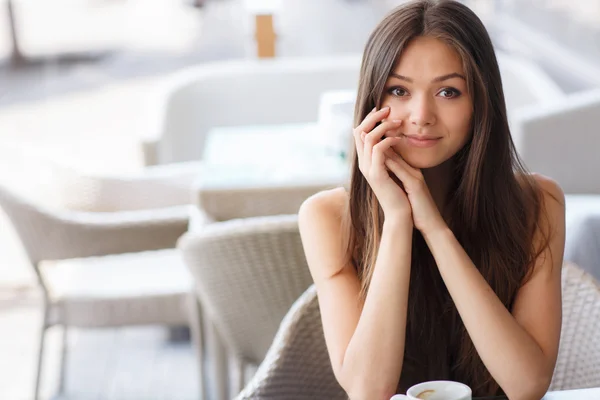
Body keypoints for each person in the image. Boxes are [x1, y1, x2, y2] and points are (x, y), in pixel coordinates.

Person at [298, 1, 566, 399]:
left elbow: (527, 385)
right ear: (373, 100)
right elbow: (369, 390)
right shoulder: (327, 217)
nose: (421, 115)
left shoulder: (539, 204)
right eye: (399, 90)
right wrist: (398, 219)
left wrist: (437, 230)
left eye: (448, 91)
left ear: (481, 103)